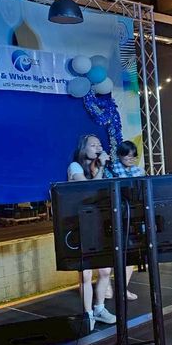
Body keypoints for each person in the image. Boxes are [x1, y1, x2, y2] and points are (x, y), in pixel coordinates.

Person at [67, 134, 116, 330]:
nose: (98, 147)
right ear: (83, 148)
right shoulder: (75, 167)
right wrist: (101, 168)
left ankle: (99, 308)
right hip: (79, 225)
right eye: (93, 145)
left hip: (97, 223)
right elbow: (87, 190)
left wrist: (102, 168)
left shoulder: (96, 168)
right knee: (86, 274)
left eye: (99, 144)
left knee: (105, 270)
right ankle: (87, 314)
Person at [105, 139, 144, 301]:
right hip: (114, 217)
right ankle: (106, 286)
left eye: (133, 156)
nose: (131, 159)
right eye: (127, 155)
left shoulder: (138, 171)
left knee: (131, 254)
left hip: (132, 217)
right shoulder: (112, 170)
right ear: (120, 155)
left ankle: (123, 289)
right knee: (111, 254)